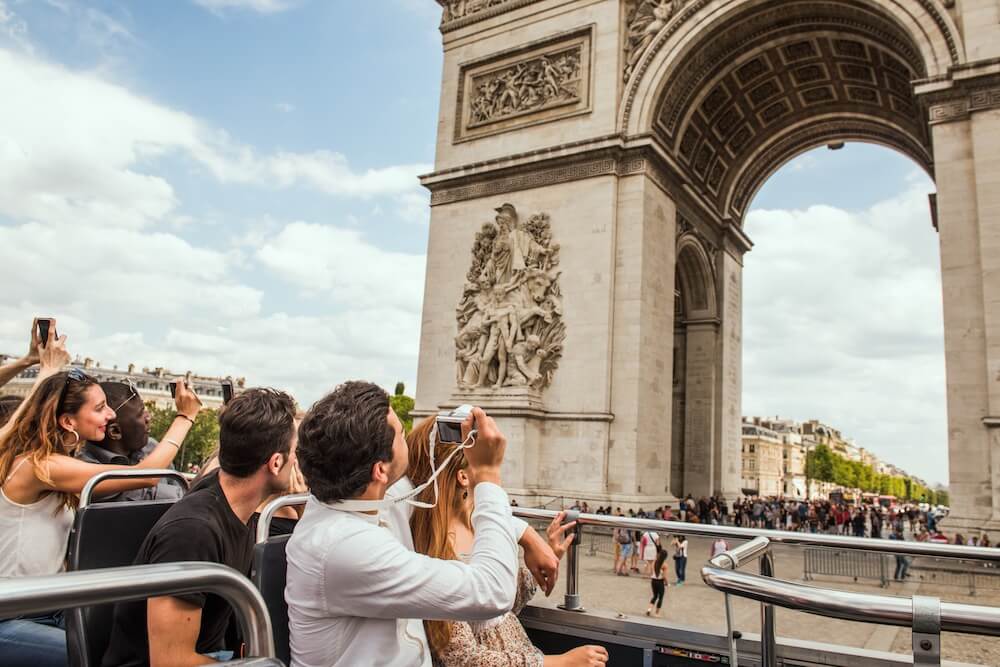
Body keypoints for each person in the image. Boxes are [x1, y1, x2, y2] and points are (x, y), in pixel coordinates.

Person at [285, 381, 561, 667]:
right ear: (380, 470)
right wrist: (488, 476)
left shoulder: (352, 496)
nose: (410, 437)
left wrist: (527, 534)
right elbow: (492, 591)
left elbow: (435, 490)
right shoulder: (348, 550)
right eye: (402, 434)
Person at [0, 323, 197, 667]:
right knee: (96, 659)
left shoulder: (50, 461)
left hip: (47, 607)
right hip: (11, 615)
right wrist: (184, 417)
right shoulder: (39, 465)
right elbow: (142, 476)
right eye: (100, 408)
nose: (110, 415)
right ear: (67, 422)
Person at [101, 387, 299, 666]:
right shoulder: (193, 533)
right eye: (294, 452)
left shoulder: (225, 498)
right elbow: (170, 661)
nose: (297, 460)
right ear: (276, 462)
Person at [406, 417, 608, 666]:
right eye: (482, 462)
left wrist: (549, 554)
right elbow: (464, 659)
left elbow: (504, 605)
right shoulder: (437, 553)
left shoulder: (479, 527)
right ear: (463, 477)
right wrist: (562, 662)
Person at [77, 381, 185, 502]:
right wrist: (185, 417)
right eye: (140, 414)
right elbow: (180, 497)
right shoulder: (86, 469)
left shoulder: (151, 447)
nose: (148, 417)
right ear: (115, 431)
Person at [645, 544, 670, 618]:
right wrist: (667, 583)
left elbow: (650, 572)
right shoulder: (665, 565)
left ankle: (649, 609)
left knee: (655, 596)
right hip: (660, 582)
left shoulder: (654, 562)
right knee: (660, 597)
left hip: (653, 581)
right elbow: (664, 576)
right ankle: (657, 613)